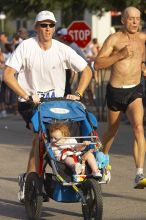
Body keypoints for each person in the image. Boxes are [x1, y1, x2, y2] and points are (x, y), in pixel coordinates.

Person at [3, 10, 92, 202]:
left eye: (51, 25)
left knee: (62, 141)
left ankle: (65, 176)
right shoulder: (26, 47)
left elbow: (86, 70)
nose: (48, 29)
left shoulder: (62, 49)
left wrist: (77, 94)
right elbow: (8, 75)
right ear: (36, 28)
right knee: (40, 138)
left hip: (57, 105)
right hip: (30, 104)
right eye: (44, 25)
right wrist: (26, 95)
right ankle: (31, 184)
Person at [94, 6, 146, 189]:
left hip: (134, 90)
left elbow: (142, 56)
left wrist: (143, 64)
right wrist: (119, 55)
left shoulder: (142, 39)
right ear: (122, 20)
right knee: (111, 131)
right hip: (115, 92)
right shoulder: (114, 39)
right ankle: (102, 163)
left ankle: (139, 173)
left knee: (139, 128)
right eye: (130, 18)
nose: (134, 22)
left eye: (137, 19)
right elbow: (98, 64)